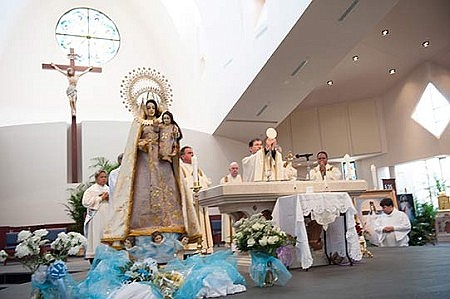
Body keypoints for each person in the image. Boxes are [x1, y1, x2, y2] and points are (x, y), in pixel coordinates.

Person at [102, 100, 190, 246]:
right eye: (148, 107)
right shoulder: (140, 124)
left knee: (166, 189)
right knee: (143, 190)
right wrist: (142, 143)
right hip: (144, 161)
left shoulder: (162, 122)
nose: (150, 110)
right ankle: (140, 226)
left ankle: (169, 224)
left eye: (153, 107)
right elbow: (133, 144)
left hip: (161, 160)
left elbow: (171, 136)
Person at [179, 146, 214, 253]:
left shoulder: (198, 169)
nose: (192, 155)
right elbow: (182, 183)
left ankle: (205, 245)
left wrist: (199, 180)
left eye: (192, 152)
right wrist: (192, 179)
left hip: (201, 202)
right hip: (190, 203)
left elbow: (206, 182)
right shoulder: (181, 168)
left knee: (203, 222)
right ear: (182, 156)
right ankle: (193, 245)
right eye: (189, 153)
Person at [82, 170, 110, 263]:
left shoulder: (109, 189)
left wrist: (109, 198)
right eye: (101, 177)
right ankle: (94, 256)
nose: (104, 179)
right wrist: (100, 198)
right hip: (96, 217)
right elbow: (85, 202)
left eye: (105, 177)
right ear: (96, 178)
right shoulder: (91, 190)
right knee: (96, 236)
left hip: (107, 215)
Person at [220, 162, 242, 247]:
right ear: (229, 170)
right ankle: (228, 240)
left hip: (238, 204)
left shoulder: (240, 178)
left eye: (236, 168)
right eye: (233, 168)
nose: (235, 170)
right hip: (228, 204)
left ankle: (238, 239)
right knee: (227, 221)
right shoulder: (225, 179)